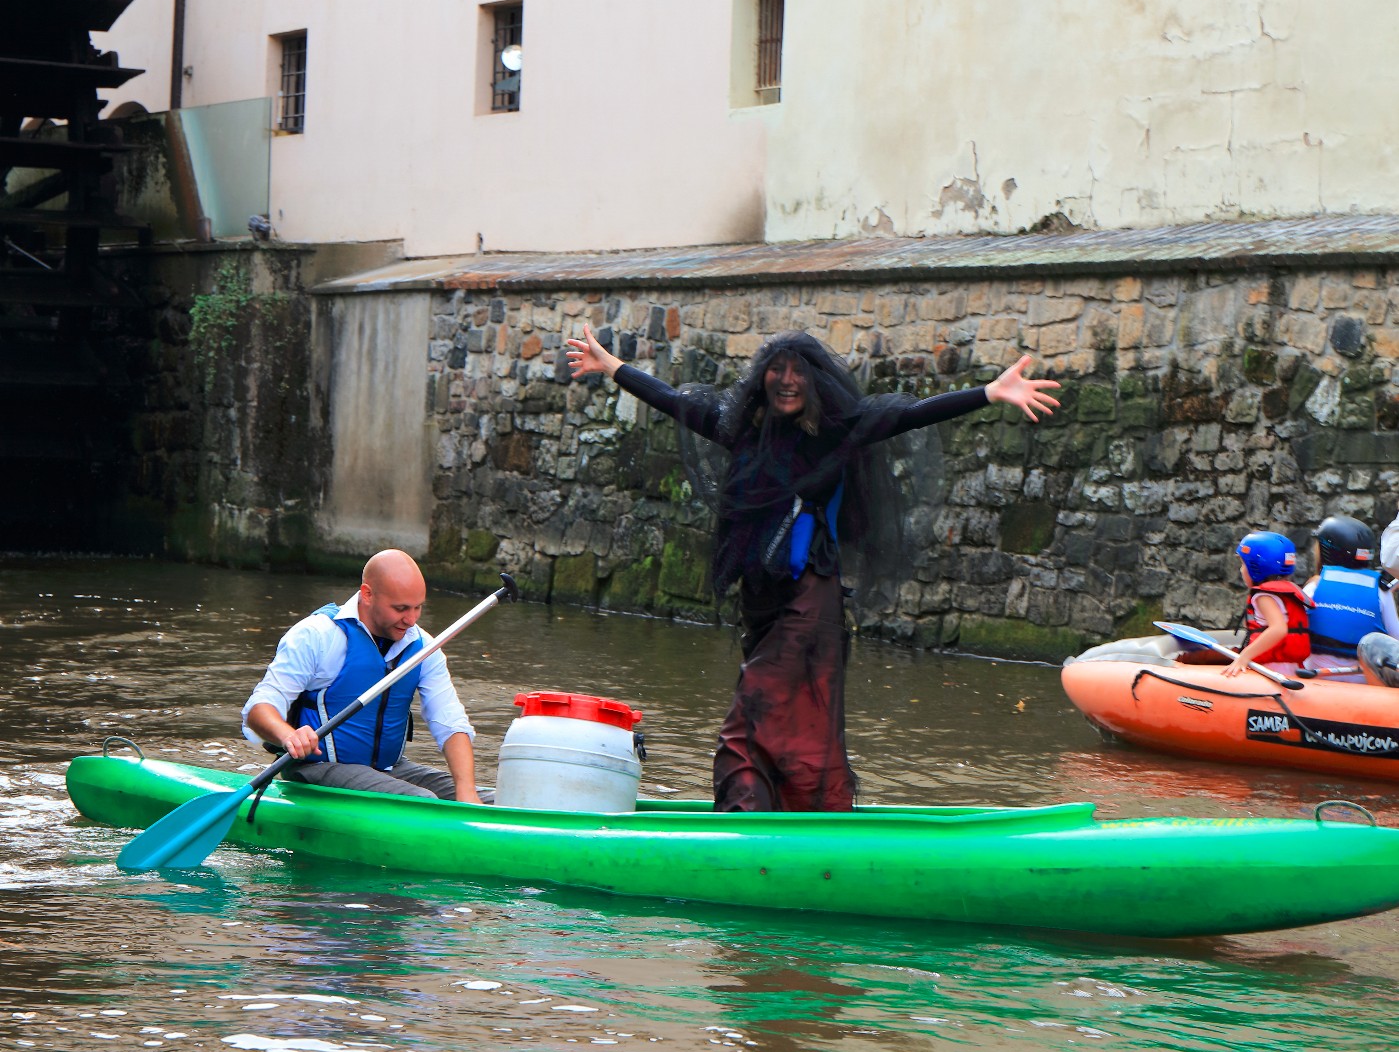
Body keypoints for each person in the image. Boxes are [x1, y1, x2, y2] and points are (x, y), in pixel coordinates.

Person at [566, 323, 1059, 813]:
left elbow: (908, 414)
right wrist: (610, 365)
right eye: (776, 370)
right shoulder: (740, 430)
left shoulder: (837, 431)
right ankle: (804, 814)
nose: (786, 380)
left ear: (815, 382)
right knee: (799, 717)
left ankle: (740, 820)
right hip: (762, 601)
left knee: (750, 715)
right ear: (762, 379)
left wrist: (989, 393)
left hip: (809, 599)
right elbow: (672, 398)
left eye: (797, 372)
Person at [242, 549, 480, 801]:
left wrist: (467, 791)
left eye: (418, 608)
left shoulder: (423, 647)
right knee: (423, 801)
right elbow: (259, 709)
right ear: (367, 594)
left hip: (388, 770)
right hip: (318, 769)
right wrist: (289, 735)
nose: (411, 620)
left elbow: (450, 723)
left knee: (498, 800)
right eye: (400, 609)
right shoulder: (317, 635)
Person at [1300, 515, 1393, 665]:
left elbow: (1294, 630)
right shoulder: (1381, 590)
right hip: (1363, 679)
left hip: (1315, 677)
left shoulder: (1314, 587)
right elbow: (1395, 638)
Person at [1220, 532, 1310, 678]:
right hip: (1290, 667)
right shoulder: (1287, 593)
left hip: (1272, 669)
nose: (1240, 570)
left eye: (1243, 564)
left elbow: (1278, 629)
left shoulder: (1264, 597)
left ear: (1256, 567)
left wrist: (1244, 657)